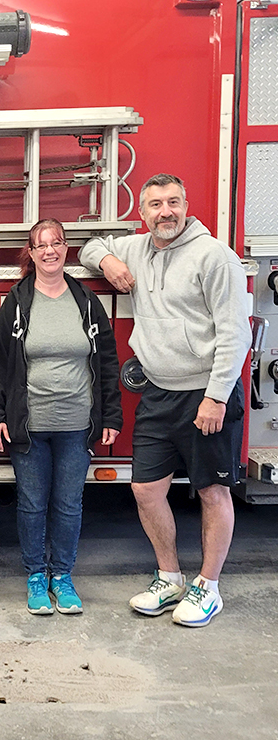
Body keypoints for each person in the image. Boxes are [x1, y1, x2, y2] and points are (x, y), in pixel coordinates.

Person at [79, 173, 251, 627]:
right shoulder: (138, 247)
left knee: (213, 491)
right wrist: (109, 262)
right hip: (159, 391)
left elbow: (237, 333)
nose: (165, 212)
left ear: (187, 203)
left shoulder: (215, 257)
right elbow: (89, 245)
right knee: (146, 488)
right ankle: (170, 577)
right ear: (142, 212)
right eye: (155, 204)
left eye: (173, 202)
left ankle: (208, 588)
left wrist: (215, 398)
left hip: (205, 394)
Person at [0, 218, 122, 615]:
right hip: (29, 427)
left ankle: (61, 577)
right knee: (31, 504)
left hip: (77, 426)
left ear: (66, 250)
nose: (49, 251)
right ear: (31, 252)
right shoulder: (17, 302)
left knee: (68, 505)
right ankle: (35, 577)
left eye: (57, 243)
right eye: (41, 245)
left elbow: (108, 362)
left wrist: (111, 415)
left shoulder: (86, 301)